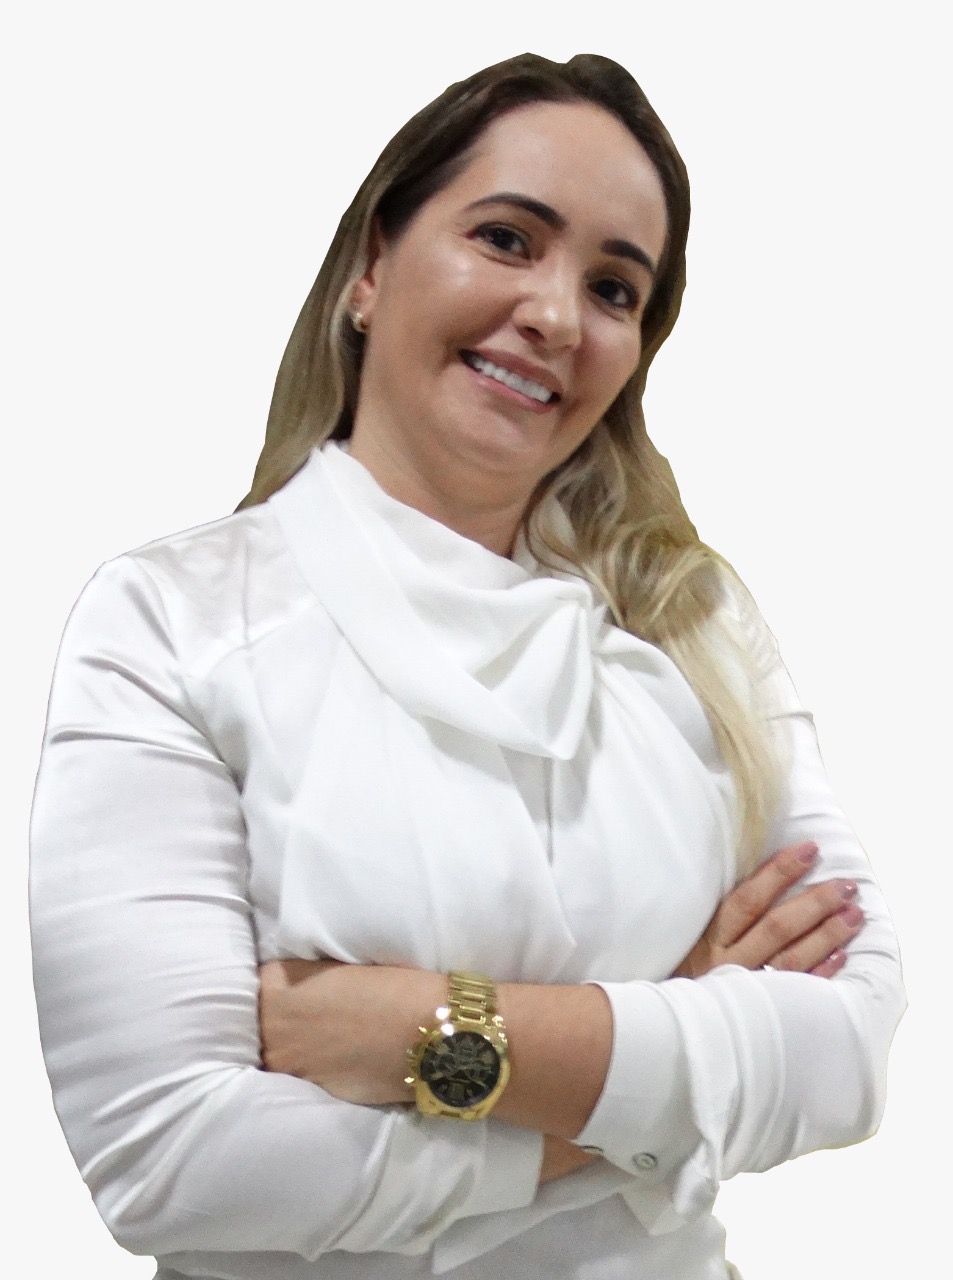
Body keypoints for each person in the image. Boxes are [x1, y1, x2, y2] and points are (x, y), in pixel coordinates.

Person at [30, 51, 905, 1280]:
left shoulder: (688, 618)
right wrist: (661, 1078)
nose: (556, 314)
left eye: (613, 287)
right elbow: (171, 1161)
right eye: (506, 239)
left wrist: (428, 1030)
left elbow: (845, 1048)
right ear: (370, 267)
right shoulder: (170, 622)